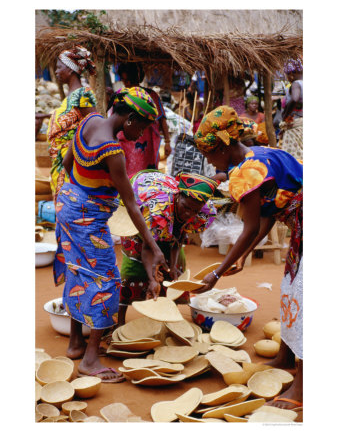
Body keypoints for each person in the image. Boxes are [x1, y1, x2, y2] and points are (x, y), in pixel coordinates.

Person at [53, 87, 168, 382]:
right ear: (129, 119)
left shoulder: (88, 121)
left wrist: (82, 193)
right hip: (87, 220)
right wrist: (153, 246)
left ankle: (76, 343)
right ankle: (90, 360)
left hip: (67, 206)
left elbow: (67, 165)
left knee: (77, 270)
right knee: (107, 280)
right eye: (141, 127)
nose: (141, 134)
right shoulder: (112, 151)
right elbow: (131, 204)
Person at [194, 106, 303, 409]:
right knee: (291, 290)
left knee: (306, 298)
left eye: (208, 153)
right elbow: (267, 213)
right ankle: (285, 357)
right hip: (301, 225)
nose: (208, 160)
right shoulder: (256, 154)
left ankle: (302, 387)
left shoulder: (248, 171)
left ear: (222, 146)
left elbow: (251, 225)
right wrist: (244, 254)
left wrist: (216, 274)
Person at [118, 170, 219, 326]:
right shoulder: (157, 208)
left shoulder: (200, 213)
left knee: (177, 268)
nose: (189, 213)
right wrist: (152, 278)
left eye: (195, 211)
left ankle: (168, 317)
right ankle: (119, 322)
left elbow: (178, 237)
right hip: (140, 215)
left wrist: (172, 266)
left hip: (166, 223)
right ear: (178, 196)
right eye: (186, 207)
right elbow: (146, 249)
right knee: (133, 266)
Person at [46, 45, 97, 203]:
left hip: (72, 164)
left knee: (72, 208)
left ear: (69, 69)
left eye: (59, 67)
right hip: (60, 163)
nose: (56, 72)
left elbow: (95, 125)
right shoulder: (71, 96)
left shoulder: (82, 95)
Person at [107, 63, 172, 176]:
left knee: (144, 176)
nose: (127, 84)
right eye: (125, 81)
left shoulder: (150, 97)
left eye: (130, 81)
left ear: (137, 78)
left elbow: (162, 119)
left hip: (146, 148)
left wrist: (167, 142)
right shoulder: (121, 96)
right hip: (125, 145)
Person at [279, 58, 303, 159]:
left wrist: (285, 114)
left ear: (291, 74)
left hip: (295, 124)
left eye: (287, 75)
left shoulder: (296, 84)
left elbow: (294, 99)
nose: (287, 78)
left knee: (294, 156)